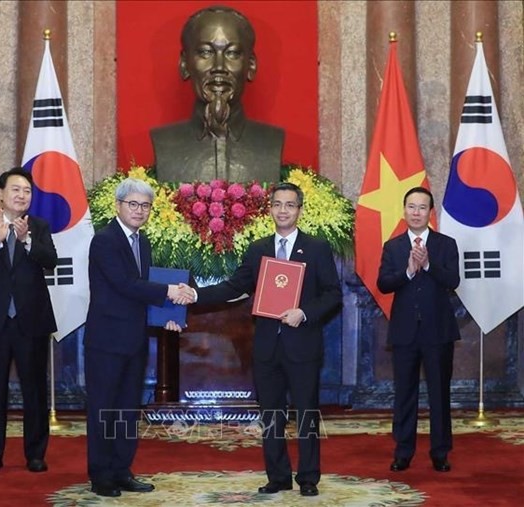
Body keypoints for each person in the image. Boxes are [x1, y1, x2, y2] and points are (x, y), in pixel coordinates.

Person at [187, 182, 341, 497]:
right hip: (267, 347)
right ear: (269, 208)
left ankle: (308, 478)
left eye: (290, 205)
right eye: (277, 204)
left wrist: (304, 312)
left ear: (299, 210)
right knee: (270, 415)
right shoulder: (258, 249)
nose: (283, 210)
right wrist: (195, 294)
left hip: (303, 345)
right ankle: (278, 476)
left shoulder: (316, 248)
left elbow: (333, 294)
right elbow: (235, 287)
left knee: (306, 413)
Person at [84, 178, 193, 498]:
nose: (139, 210)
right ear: (118, 205)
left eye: (145, 206)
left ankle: (121, 470)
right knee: (104, 408)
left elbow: (141, 295)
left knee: (128, 410)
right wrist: (170, 293)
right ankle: (101, 475)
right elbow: (125, 284)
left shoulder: (142, 242)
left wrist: (169, 315)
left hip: (134, 339)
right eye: (133, 204)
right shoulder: (105, 241)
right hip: (106, 341)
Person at [0, 167, 57, 473]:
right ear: (1, 194)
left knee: (34, 390)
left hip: (31, 321)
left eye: (27, 191)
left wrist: (27, 240)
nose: (22, 195)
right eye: (16, 190)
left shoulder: (39, 227)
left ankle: (36, 454)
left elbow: (50, 261)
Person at [377, 187, 460, 473]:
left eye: (422, 207)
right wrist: (410, 271)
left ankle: (440, 452)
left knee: (439, 394)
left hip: (438, 332)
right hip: (404, 332)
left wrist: (428, 264)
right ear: (404, 211)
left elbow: (453, 280)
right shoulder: (393, 246)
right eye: (411, 207)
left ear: (430, 212)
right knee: (405, 393)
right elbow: (384, 283)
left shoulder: (446, 244)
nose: (416, 212)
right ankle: (403, 451)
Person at [151, 5, 284, 183]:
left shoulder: (271, 141)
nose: (219, 67)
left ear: (251, 65)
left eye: (232, 53)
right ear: (184, 64)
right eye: (206, 52)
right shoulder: (164, 142)